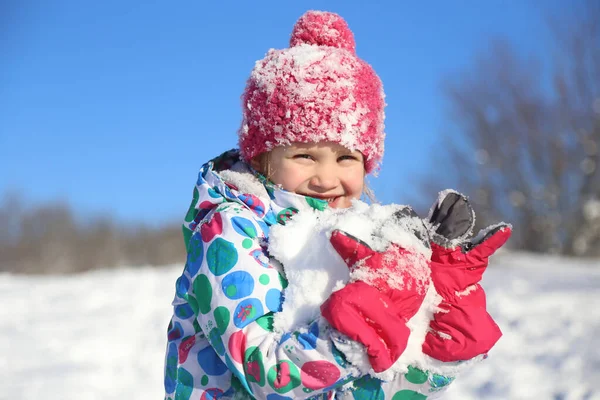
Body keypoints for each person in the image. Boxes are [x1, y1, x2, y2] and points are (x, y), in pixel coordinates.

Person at [163, 10, 511, 400]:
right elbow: (265, 377)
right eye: (305, 156)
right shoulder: (230, 231)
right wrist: (366, 315)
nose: (327, 178)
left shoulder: (362, 237)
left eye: (347, 158)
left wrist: (435, 338)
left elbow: (378, 390)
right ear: (263, 157)